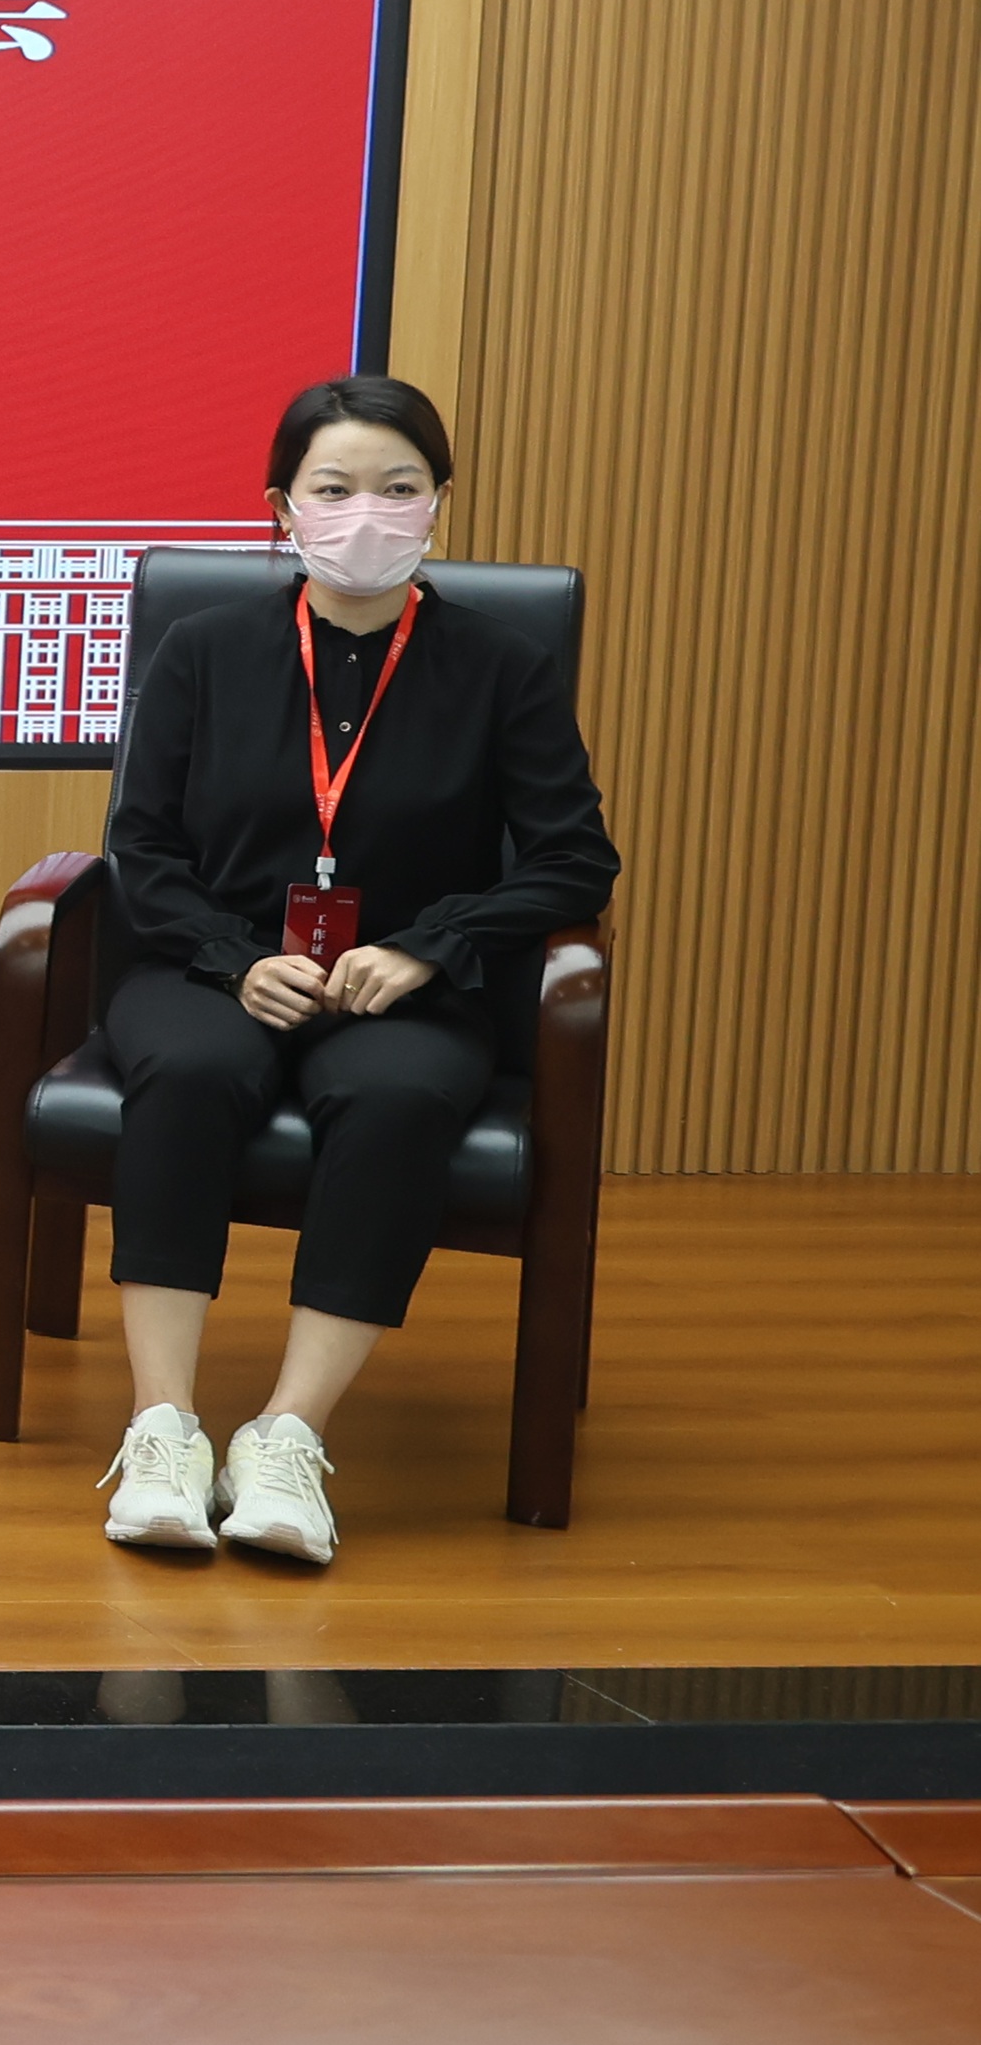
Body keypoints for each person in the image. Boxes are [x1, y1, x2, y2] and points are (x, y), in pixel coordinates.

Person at [89, 374, 614, 1568]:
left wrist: (430, 946)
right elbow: (142, 848)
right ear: (282, 506)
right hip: (212, 966)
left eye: (397, 487)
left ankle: (286, 1435)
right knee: (187, 1071)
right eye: (332, 489)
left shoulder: (498, 668)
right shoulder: (202, 650)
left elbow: (575, 856)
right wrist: (237, 959)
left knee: (396, 1096)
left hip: (402, 984)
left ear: (437, 503)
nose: (365, 514)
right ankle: (163, 1428)